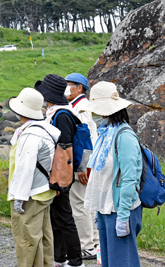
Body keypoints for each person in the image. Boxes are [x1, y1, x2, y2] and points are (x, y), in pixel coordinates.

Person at [82, 81, 143, 267]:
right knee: (109, 261)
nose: (96, 115)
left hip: (120, 209)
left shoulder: (124, 136)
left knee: (122, 262)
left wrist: (123, 215)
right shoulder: (106, 133)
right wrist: (99, 208)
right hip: (107, 208)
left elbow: (129, 178)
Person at [7, 88, 61, 267]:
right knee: (44, 236)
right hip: (44, 190)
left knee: (27, 239)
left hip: (30, 193)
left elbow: (25, 168)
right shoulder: (45, 129)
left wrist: (19, 197)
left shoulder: (30, 134)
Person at [35, 74, 84, 267]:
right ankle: (59, 257)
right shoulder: (57, 112)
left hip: (60, 173)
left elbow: (64, 150)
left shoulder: (61, 115)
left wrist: (57, 179)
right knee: (57, 217)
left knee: (64, 217)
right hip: (57, 172)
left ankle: (75, 261)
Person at [64, 73, 99, 259]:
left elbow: (85, 140)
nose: (67, 87)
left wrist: (82, 169)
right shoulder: (77, 106)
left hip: (82, 164)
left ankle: (87, 245)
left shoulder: (81, 108)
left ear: (79, 88)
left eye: (70, 84)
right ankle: (94, 241)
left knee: (79, 204)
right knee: (87, 203)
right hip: (86, 163)